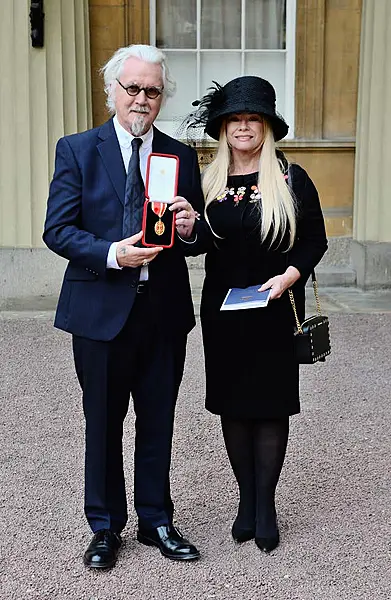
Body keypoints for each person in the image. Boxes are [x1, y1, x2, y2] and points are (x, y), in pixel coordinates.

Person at [43, 44, 204, 569]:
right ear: (111, 90)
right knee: (103, 424)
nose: (141, 99)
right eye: (132, 88)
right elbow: (58, 230)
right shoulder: (77, 149)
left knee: (158, 421)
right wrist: (113, 253)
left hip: (163, 313)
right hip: (100, 312)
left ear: (162, 97)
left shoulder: (179, 155)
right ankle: (106, 527)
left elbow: (196, 238)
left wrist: (190, 227)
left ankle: (157, 518)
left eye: (152, 91)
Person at [179, 76, 328, 553]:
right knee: (233, 406)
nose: (243, 127)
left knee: (270, 406)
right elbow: (201, 244)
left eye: (252, 118)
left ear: (266, 126)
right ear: (223, 129)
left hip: (274, 308)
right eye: (234, 120)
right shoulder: (208, 181)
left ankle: (266, 504)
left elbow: (313, 241)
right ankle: (246, 500)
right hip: (223, 313)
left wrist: (289, 276)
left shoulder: (289, 178)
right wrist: (186, 229)